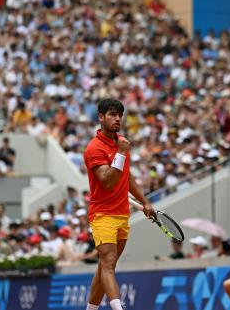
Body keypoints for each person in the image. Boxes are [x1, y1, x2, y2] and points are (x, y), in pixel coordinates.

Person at [83, 99, 154, 310]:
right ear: (101, 117)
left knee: (106, 266)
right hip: (102, 215)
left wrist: (145, 202)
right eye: (113, 114)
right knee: (109, 262)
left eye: (120, 115)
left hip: (123, 214)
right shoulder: (94, 148)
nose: (117, 119)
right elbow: (107, 180)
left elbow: (127, 178)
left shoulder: (121, 143)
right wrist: (121, 153)